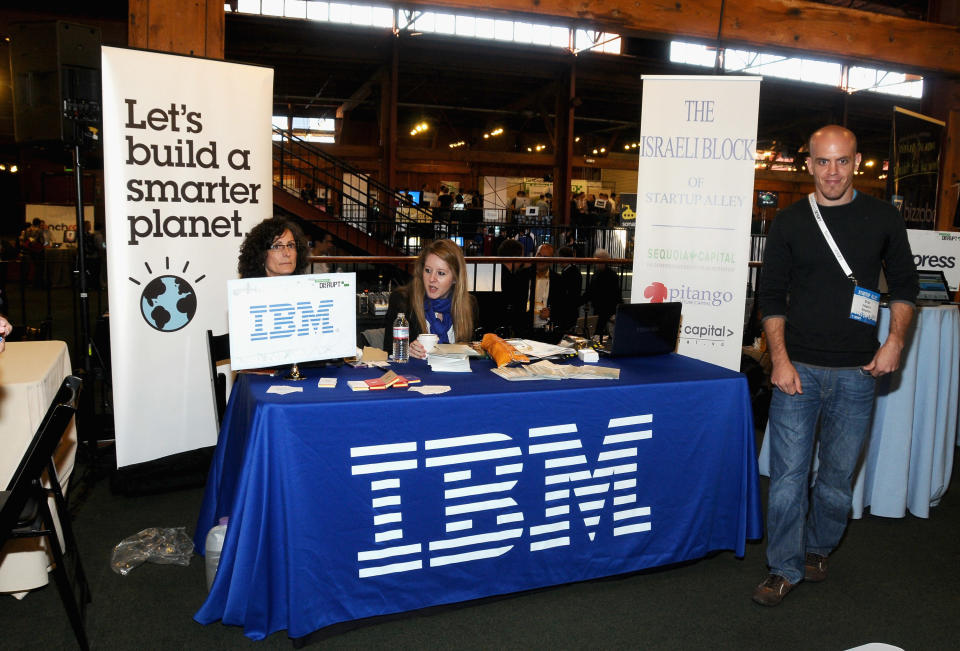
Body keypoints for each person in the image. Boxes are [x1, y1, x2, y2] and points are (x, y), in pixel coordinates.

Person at [753, 125, 918, 607]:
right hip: (797, 369)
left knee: (835, 482)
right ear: (808, 164)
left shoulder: (882, 218)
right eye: (823, 161)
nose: (832, 172)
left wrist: (895, 343)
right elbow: (770, 297)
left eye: (842, 161)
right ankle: (782, 567)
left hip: (858, 373)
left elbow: (905, 288)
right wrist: (779, 361)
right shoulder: (788, 222)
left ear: (857, 161)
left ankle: (819, 549)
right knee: (786, 479)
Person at [382, 239, 478, 359]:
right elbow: (388, 351)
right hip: (416, 374)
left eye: (441, 273)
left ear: (455, 279)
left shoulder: (469, 304)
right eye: (427, 270)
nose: (432, 279)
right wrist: (407, 351)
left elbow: (473, 356)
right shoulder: (402, 301)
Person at [237, 217, 310, 278]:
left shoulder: (308, 290)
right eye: (277, 246)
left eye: (291, 245)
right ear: (261, 254)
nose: (287, 253)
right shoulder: (248, 292)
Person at [583, 248, 622, 339]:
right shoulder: (610, 274)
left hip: (604, 308)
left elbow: (591, 291)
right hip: (605, 308)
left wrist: (584, 299)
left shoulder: (599, 274)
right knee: (602, 332)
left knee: (599, 332)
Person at [554, 246, 582, 335]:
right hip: (572, 309)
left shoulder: (569, 273)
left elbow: (566, 293)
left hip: (568, 310)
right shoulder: (573, 270)